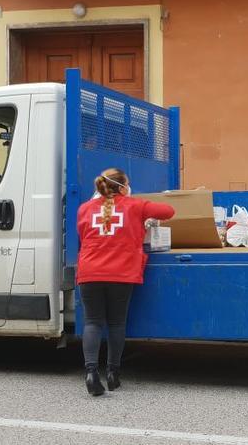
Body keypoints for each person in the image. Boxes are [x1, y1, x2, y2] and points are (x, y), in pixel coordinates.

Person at [76, 168, 175, 396]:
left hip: (90, 272)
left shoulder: (84, 209)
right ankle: (113, 374)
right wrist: (138, 206)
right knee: (117, 324)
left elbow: (83, 236)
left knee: (92, 322)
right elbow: (168, 211)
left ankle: (91, 373)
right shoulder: (135, 206)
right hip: (121, 274)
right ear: (122, 187)